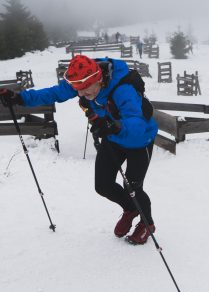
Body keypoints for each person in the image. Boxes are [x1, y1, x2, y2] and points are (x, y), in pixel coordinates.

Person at [0, 55, 158, 245]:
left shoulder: (123, 90)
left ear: (98, 79)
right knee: (103, 185)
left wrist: (114, 126)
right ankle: (131, 209)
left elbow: (137, 123)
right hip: (113, 137)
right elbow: (53, 93)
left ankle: (147, 223)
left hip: (139, 139)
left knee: (133, 187)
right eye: (77, 90)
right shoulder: (81, 81)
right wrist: (20, 98)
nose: (81, 94)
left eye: (84, 90)